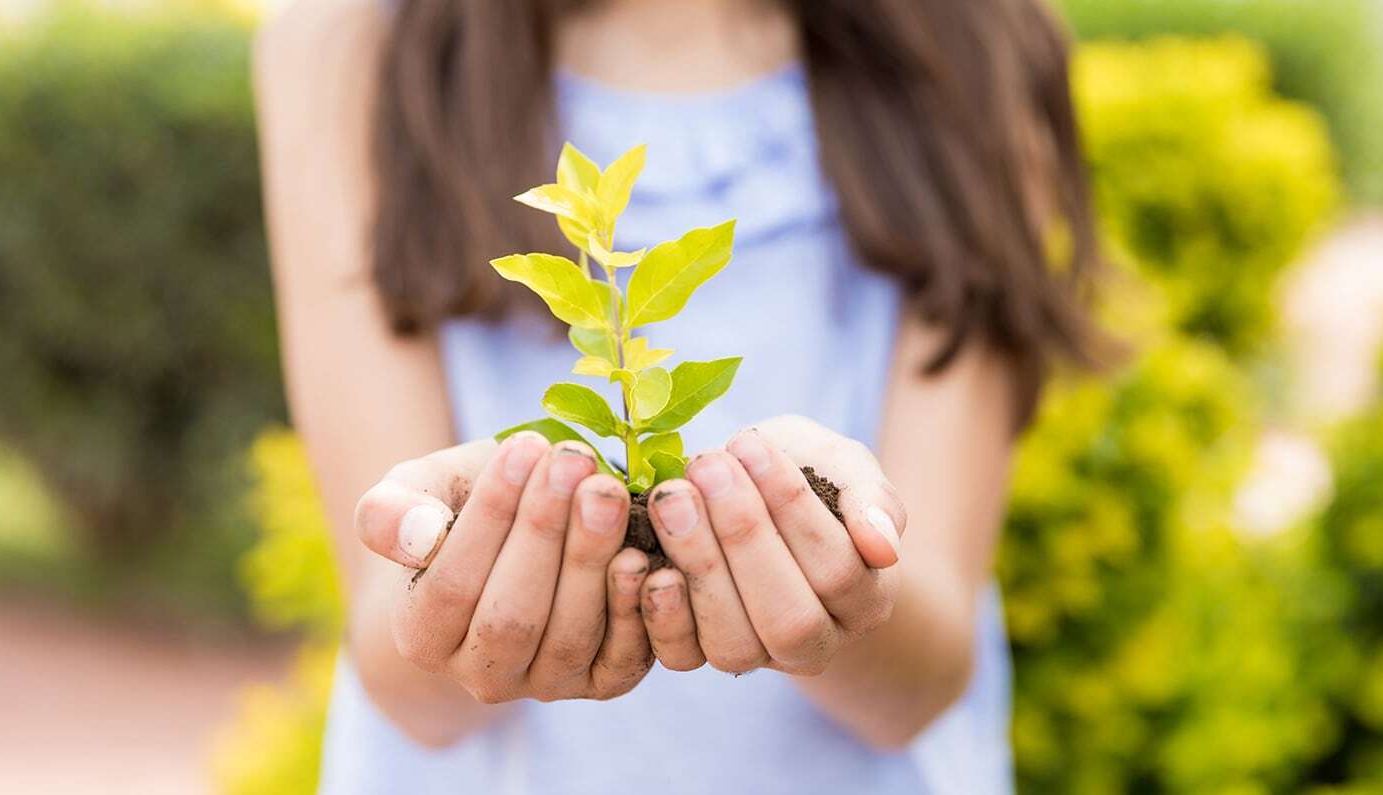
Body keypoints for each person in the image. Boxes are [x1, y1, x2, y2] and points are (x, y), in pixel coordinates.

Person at [255, 0, 1104, 792]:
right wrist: (457, 572)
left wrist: (839, 574)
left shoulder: (970, 33)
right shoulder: (349, 37)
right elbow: (395, 654)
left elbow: (927, 672)